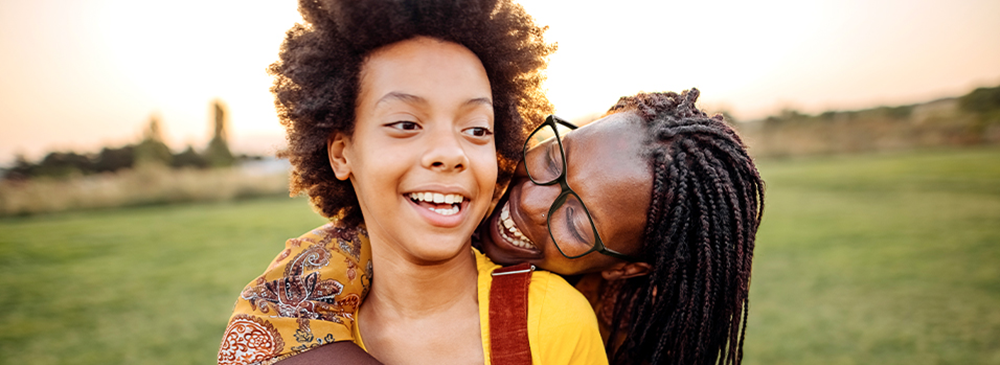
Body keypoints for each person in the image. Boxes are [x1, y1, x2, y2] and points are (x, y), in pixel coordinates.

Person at [222, 88, 764, 365]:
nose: (529, 201)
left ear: (625, 267)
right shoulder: (469, 185)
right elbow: (271, 318)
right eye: (553, 160)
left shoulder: (612, 322)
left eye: (574, 221)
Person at [217, 1, 608, 364]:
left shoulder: (552, 323)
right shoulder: (290, 326)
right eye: (406, 124)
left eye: (476, 129)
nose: (451, 153)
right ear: (341, 153)